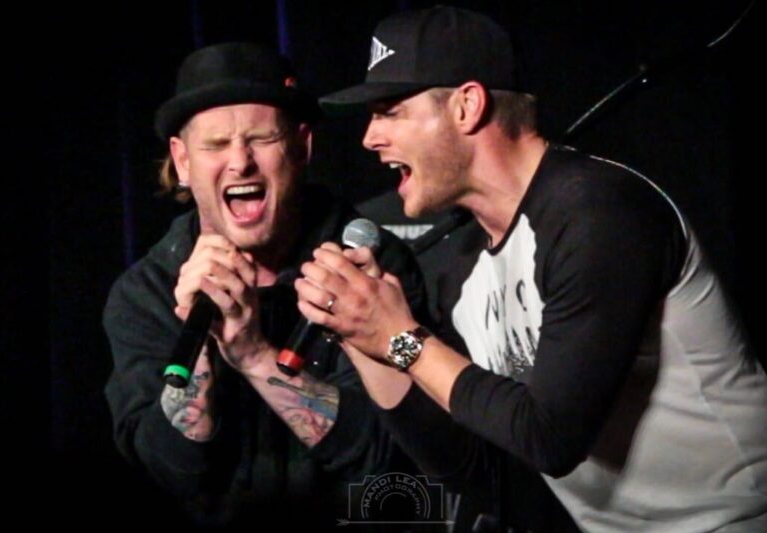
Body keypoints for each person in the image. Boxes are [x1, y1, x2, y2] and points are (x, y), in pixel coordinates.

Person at [295, 6, 767, 532]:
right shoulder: (464, 267)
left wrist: (400, 338)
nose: (369, 138)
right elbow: (482, 473)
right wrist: (367, 341)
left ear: (467, 106)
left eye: (390, 111)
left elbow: (549, 438)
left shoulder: (598, 213)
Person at [103, 42, 430, 528]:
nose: (240, 162)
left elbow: (387, 456)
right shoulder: (146, 291)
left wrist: (254, 355)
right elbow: (170, 471)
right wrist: (204, 348)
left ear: (301, 146)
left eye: (261, 138)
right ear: (183, 160)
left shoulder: (369, 269)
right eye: (215, 145)